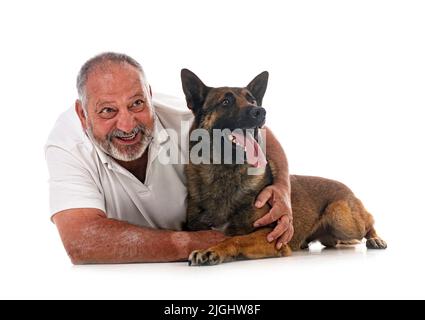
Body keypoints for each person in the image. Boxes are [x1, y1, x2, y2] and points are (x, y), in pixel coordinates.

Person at [45, 52, 293, 264]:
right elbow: (81, 242)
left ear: (150, 96)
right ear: (82, 113)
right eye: (108, 110)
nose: (127, 123)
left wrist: (282, 186)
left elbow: (259, 130)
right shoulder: (67, 145)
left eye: (137, 104)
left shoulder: (184, 118)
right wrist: (192, 243)